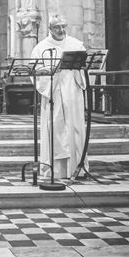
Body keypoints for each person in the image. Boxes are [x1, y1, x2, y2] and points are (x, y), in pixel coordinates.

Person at [31, 15, 88, 180]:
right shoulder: (41, 48)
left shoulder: (76, 45)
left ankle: (77, 168)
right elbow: (35, 72)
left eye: (64, 26)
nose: (61, 30)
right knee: (56, 129)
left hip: (73, 94)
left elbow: (85, 68)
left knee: (75, 129)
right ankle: (55, 170)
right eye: (57, 27)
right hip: (54, 94)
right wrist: (51, 77)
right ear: (50, 28)